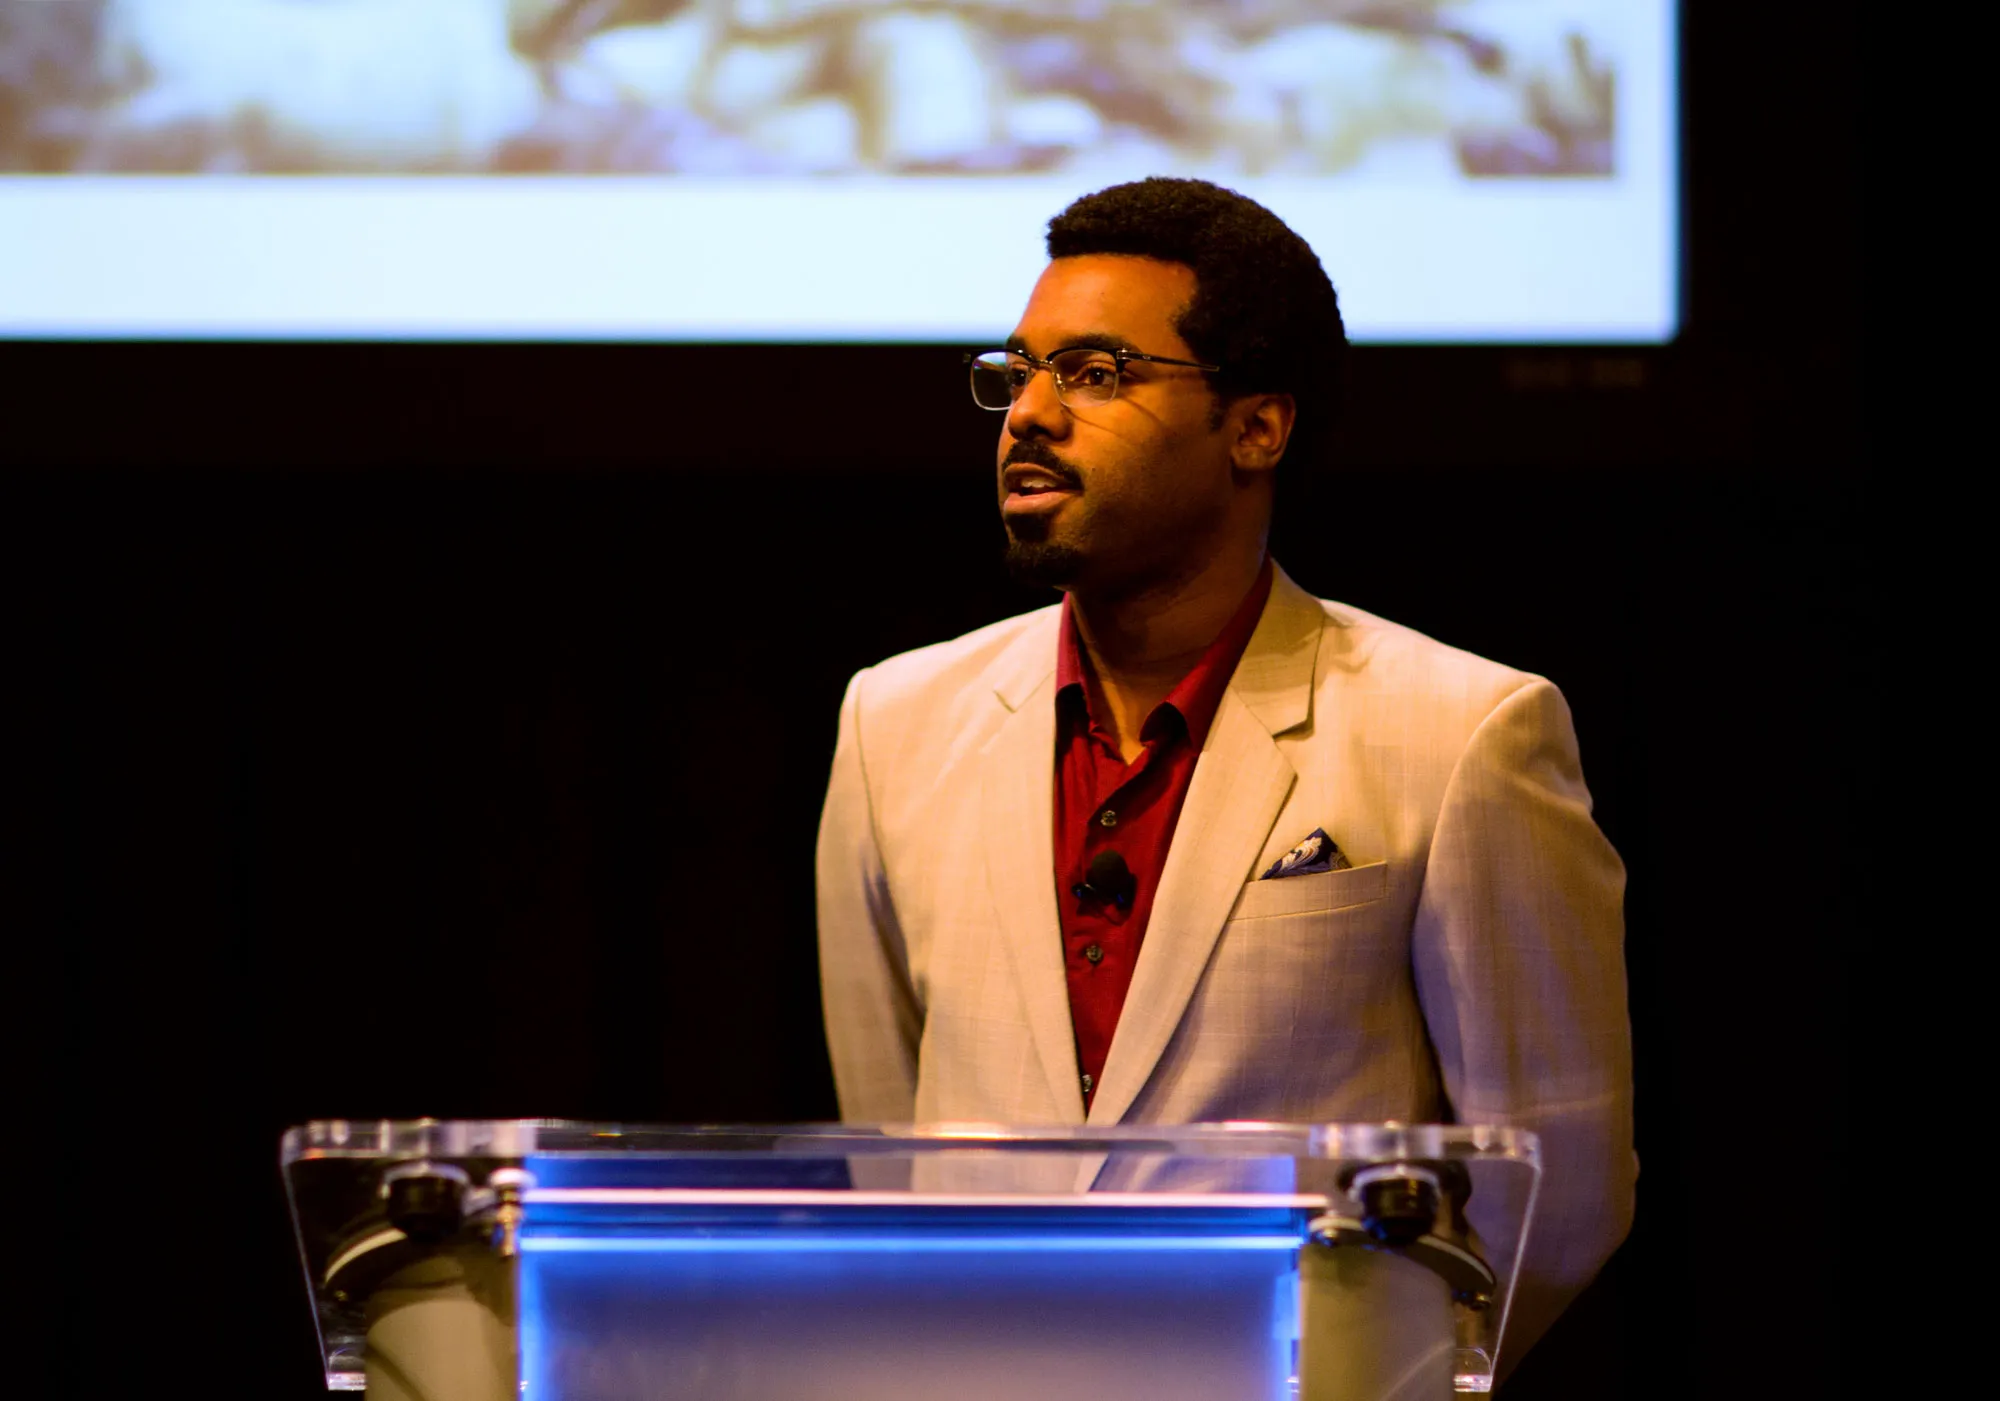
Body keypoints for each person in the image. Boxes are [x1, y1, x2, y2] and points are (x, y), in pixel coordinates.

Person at [814, 176, 1634, 1367]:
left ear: (1255, 428)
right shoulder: (892, 720)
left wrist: (1383, 1379)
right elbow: (887, 1142)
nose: (1028, 414)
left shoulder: (1462, 731)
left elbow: (1555, 1185)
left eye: (1094, 373)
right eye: (1018, 372)